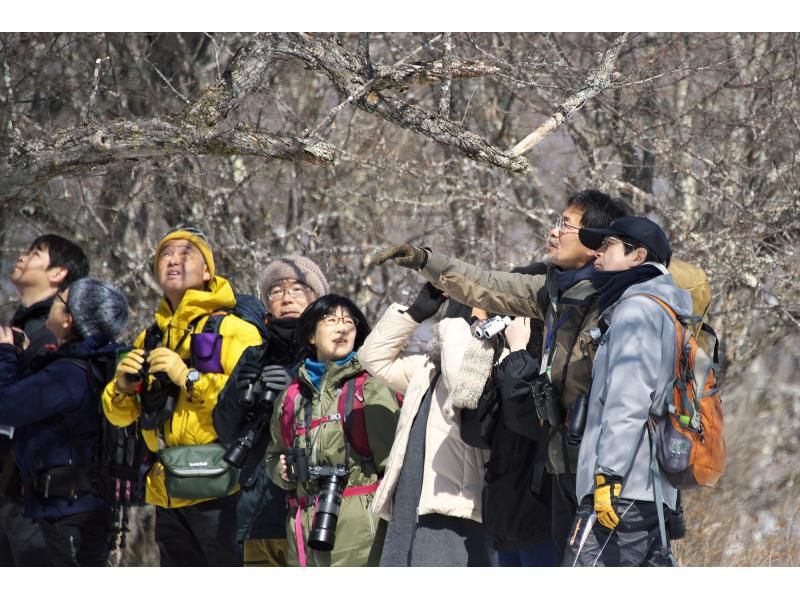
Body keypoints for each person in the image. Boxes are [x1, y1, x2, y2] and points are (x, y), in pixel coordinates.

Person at [376, 189, 632, 559]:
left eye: (565, 225)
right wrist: (427, 261)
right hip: (537, 478)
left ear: (596, 243)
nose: (554, 231)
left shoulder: (618, 303)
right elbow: (486, 284)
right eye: (557, 222)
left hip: (592, 478)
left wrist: (518, 353)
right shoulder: (549, 290)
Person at [102, 226, 262, 566]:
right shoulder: (150, 337)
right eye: (165, 254)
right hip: (168, 489)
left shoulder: (233, 329)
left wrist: (188, 377)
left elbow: (251, 400)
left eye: (185, 253)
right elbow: (120, 417)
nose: (173, 260)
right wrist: (122, 389)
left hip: (221, 486)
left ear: (207, 272)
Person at [560, 215, 686, 566]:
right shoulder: (664, 310)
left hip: (621, 490)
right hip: (651, 491)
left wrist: (608, 475)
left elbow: (628, 400)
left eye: (607, 245)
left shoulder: (637, 310)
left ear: (638, 256)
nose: (596, 254)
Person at [357, 283, 497, 566]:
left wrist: (456, 324)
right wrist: (414, 313)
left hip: (454, 508)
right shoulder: (428, 368)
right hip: (410, 502)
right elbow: (372, 359)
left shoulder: (495, 360)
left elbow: (462, 388)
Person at [0, 278, 128, 565]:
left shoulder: (68, 374)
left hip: (67, 512)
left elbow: (6, 407)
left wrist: (5, 354)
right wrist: (21, 357)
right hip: (74, 507)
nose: (53, 302)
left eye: (60, 299)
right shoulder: (87, 364)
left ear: (69, 319)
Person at [266, 295, 400, 566]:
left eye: (349, 321)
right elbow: (273, 455)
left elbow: (394, 464)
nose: (342, 327)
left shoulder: (370, 387)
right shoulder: (291, 396)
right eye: (331, 320)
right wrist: (282, 472)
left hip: (361, 534)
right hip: (302, 533)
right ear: (311, 335)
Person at [214, 255, 330, 566]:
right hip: (257, 513)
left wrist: (293, 389)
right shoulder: (254, 356)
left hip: (316, 511)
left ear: (318, 299)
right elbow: (224, 430)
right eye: (276, 291)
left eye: (297, 288)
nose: (286, 298)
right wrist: (240, 391)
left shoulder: (334, 354)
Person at [0, 234, 89, 566]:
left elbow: (18, 407)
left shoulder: (53, 337)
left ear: (58, 273)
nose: (22, 257)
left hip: (36, 495)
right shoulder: (24, 327)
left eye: (36, 253)